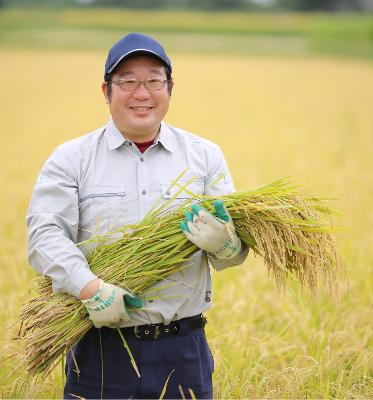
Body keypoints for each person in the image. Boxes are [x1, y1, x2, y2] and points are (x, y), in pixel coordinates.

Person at [27, 32, 248, 399]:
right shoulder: (71, 159)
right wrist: (90, 287)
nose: (141, 93)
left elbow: (236, 251)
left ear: (170, 87)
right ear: (106, 90)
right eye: (127, 81)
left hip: (184, 350)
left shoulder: (205, 156)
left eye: (153, 80)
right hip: (99, 349)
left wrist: (227, 245)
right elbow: (44, 235)